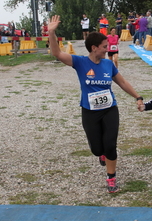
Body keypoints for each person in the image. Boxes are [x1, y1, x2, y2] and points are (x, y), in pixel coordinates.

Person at [48, 15, 144, 193]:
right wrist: (51, 33)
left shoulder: (108, 64)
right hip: (90, 111)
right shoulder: (80, 62)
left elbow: (122, 82)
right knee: (97, 148)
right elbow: (57, 53)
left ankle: (111, 178)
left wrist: (137, 97)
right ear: (94, 48)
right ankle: (100, 154)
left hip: (109, 109)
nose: (108, 50)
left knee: (110, 145)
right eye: (104, 47)